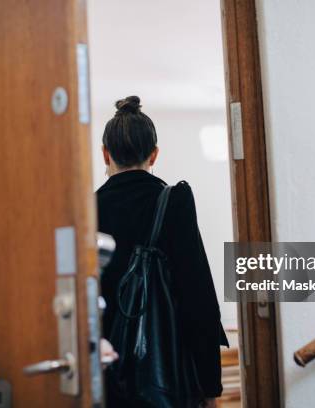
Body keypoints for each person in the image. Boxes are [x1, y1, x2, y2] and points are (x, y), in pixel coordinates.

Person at [96, 96, 229, 407]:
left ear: (105, 154)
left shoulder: (86, 209)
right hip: (165, 374)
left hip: (105, 377)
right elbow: (199, 298)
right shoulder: (173, 201)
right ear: (154, 155)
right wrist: (210, 386)